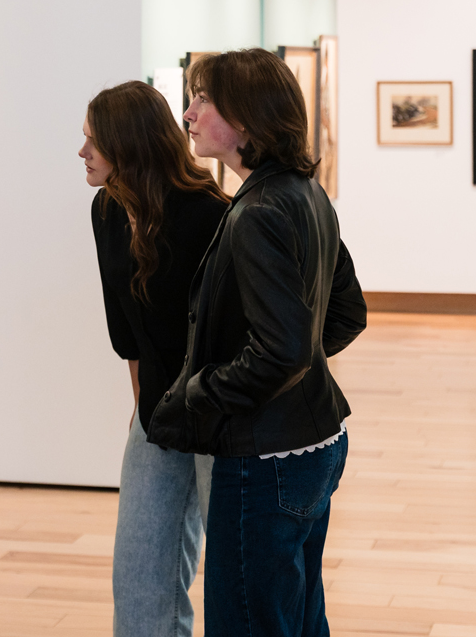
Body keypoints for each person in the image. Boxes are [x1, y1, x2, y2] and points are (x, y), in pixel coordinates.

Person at [146, 49, 367, 636]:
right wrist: (294, 367)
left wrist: (204, 388)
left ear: (243, 118)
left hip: (267, 457)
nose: (188, 113)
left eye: (202, 100)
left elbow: (285, 351)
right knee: (297, 616)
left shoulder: (260, 212)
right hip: (316, 440)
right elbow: (346, 313)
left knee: (248, 623)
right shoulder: (304, 193)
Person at [79, 80, 229, 637]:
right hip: (158, 411)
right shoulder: (106, 210)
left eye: (93, 141)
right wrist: (147, 413)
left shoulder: (212, 215)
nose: (82, 152)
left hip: (222, 418)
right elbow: (128, 332)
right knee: (139, 577)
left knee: (232, 582)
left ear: (130, 145)